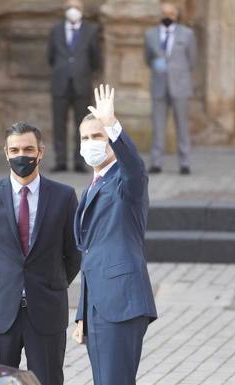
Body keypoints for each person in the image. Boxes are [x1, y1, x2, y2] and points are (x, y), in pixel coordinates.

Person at [0, 122, 81, 385]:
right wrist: (0, 284)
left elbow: (73, 254)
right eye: (15, 150)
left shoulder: (63, 196)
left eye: (28, 149)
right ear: (5, 153)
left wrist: (52, 284)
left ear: (40, 152)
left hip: (46, 311)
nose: (21, 156)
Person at [72, 84, 157, 385]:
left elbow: (136, 167)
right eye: (85, 138)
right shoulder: (92, 187)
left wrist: (112, 124)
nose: (91, 143)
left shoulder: (125, 181)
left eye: (98, 136)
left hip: (121, 303)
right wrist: (82, 311)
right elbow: (90, 254)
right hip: (98, 306)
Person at [47, 0, 100, 173]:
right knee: (59, 124)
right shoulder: (55, 30)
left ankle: (79, 161)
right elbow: (50, 56)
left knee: (82, 125)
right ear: (64, 10)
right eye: (70, 8)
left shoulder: (91, 30)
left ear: (82, 11)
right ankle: (60, 160)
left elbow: (96, 59)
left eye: (76, 8)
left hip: (81, 83)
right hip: (60, 83)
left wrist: (81, 71)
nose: (73, 11)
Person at [144, 2, 197, 175]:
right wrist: (157, 65)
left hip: (180, 86)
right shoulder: (150, 35)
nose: (168, 17)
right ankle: (156, 162)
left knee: (182, 125)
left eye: (171, 14)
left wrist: (177, 72)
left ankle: (185, 162)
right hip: (159, 86)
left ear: (176, 15)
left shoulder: (187, 34)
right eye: (164, 14)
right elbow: (147, 59)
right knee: (158, 126)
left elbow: (192, 60)